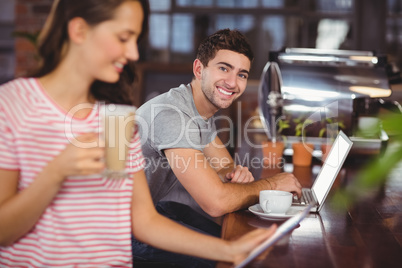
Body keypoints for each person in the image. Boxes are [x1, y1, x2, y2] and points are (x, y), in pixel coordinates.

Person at [0, 0, 279, 267]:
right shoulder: (12, 106)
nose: (134, 53)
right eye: (124, 38)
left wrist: (229, 250)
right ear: (79, 31)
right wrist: (54, 174)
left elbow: (141, 219)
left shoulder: (116, 119)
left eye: (136, 40)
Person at [134, 29, 303, 264]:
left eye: (242, 74)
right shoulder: (172, 115)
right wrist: (273, 184)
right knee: (232, 259)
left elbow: (227, 169)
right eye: (223, 68)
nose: (232, 82)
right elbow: (216, 202)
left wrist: (230, 175)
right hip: (119, 233)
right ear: (198, 69)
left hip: (150, 210)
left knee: (236, 243)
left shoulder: (198, 110)